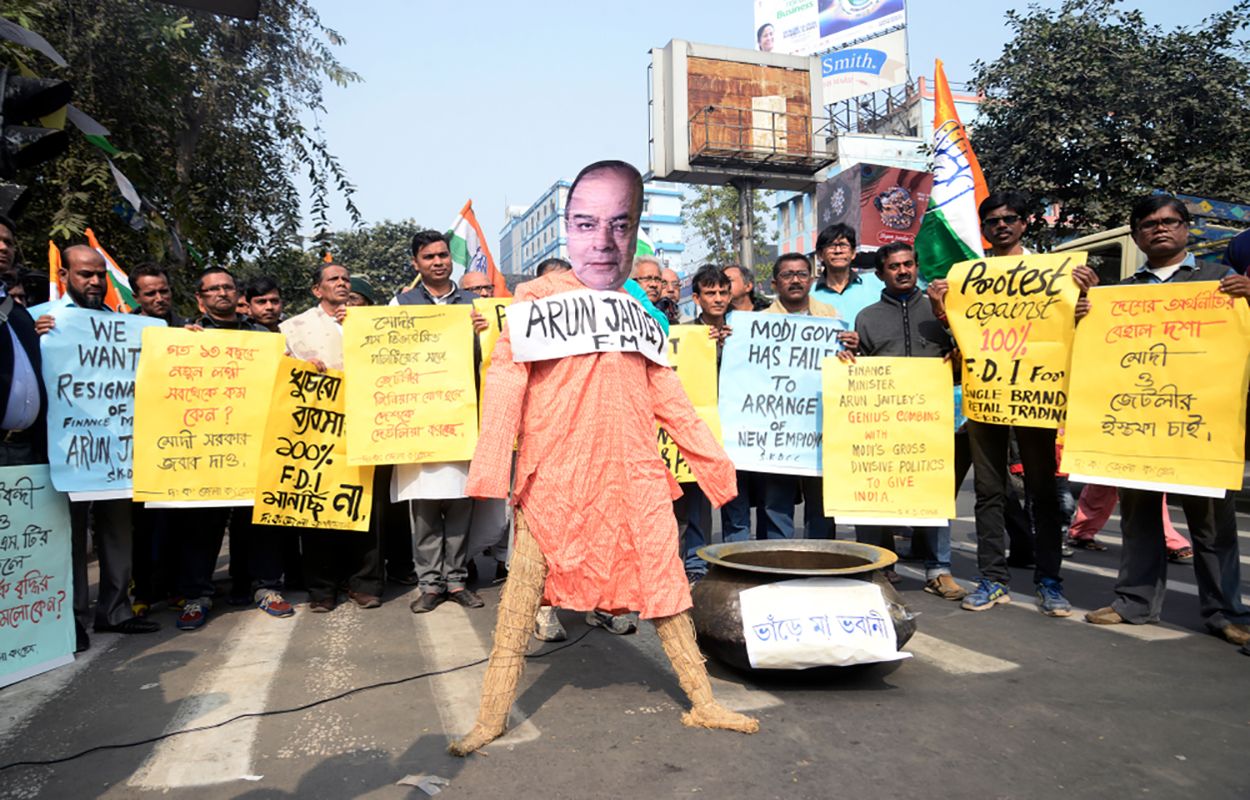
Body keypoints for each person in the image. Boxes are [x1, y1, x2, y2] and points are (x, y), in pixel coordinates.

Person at [451, 160, 757, 756]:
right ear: (568, 228)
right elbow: (506, 381)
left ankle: (703, 700)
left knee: (666, 589)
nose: (603, 240)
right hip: (556, 477)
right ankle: (490, 715)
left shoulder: (639, 312)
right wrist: (491, 467)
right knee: (519, 604)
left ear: (635, 229)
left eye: (620, 225)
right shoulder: (537, 299)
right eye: (588, 223)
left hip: (635, 474)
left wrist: (714, 467)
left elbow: (669, 396)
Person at [1084, 195, 1250, 647]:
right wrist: (1084, 317)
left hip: (1202, 427)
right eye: (1149, 224)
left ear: (1185, 229)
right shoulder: (1117, 293)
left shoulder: (1221, 284)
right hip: (1137, 426)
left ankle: (1226, 612)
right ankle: (1133, 603)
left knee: (1213, 527)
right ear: (1137, 234)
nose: (1160, 229)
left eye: (1169, 221)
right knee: (1139, 519)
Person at [928, 191, 1097, 617]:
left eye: (1010, 219)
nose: (1001, 225)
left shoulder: (1055, 273)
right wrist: (941, 308)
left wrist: (1083, 304)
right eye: (993, 221)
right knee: (988, 492)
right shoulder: (968, 277)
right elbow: (960, 336)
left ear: (1025, 224)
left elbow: (1071, 327)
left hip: (1034, 395)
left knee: (1042, 492)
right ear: (984, 229)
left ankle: (1049, 580)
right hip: (984, 396)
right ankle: (992, 579)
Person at [35, 245, 160, 641]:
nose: (94, 281)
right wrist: (34, 336)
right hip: (68, 451)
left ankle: (115, 610)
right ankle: (70, 617)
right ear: (65, 277)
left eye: (99, 274)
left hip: (117, 453)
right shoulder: (42, 320)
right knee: (69, 536)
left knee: (118, 532)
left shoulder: (125, 325)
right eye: (85, 274)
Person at [846, 242, 965, 599]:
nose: (903, 271)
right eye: (894, 266)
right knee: (875, 493)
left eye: (908, 264)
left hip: (933, 418)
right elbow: (860, 369)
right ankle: (879, 565)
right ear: (881, 273)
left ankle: (938, 569)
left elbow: (964, 361)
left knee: (935, 493)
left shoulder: (941, 311)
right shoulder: (867, 317)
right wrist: (847, 357)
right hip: (881, 420)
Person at [169, 267, 277, 630]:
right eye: (213, 289)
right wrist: (181, 346)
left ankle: (266, 587)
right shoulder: (188, 337)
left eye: (228, 287)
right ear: (200, 299)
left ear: (237, 294)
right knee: (202, 527)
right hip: (206, 452)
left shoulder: (263, 336)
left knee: (258, 523)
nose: (222, 293)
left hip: (255, 446)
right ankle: (197, 596)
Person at [283, 263, 389, 610]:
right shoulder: (295, 327)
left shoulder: (369, 322)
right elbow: (281, 372)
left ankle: (365, 583)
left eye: (346, 279)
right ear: (317, 290)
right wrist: (300, 367)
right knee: (318, 507)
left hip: (364, 424)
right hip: (318, 428)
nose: (342, 284)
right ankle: (322, 589)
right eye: (334, 279)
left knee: (366, 506)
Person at [396, 231, 485, 614]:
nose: (438, 262)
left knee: (463, 502)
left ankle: (457, 580)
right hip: (419, 421)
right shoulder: (399, 304)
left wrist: (485, 333)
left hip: (463, 418)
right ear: (416, 263)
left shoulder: (473, 304)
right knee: (425, 507)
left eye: (443, 255)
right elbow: (381, 352)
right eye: (429, 256)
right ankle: (429, 583)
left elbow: (495, 354)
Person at [758, 253, 849, 541]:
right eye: (787, 275)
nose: (795, 280)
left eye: (801, 273)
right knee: (776, 498)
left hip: (820, 423)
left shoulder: (832, 318)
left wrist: (850, 351)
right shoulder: (757, 324)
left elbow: (842, 368)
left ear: (811, 279)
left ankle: (822, 558)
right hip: (777, 426)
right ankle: (779, 560)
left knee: (821, 499)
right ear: (775, 283)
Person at [810, 223, 886, 324]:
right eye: (831, 246)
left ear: (853, 253)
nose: (838, 251)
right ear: (820, 255)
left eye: (843, 245)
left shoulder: (878, 286)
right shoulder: (809, 294)